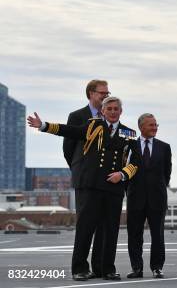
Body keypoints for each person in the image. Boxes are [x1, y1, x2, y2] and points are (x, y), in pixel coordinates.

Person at [27, 96, 140, 281]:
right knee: (85, 228)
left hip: (114, 188)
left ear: (121, 111)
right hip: (91, 185)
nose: (112, 112)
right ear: (102, 111)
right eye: (109, 108)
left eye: (116, 109)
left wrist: (123, 174)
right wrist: (44, 125)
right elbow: (70, 131)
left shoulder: (129, 133)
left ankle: (107, 269)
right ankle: (79, 268)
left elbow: (136, 162)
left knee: (111, 230)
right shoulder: (92, 126)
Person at [63, 79, 109, 278]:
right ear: (91, 93)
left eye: (108, 93)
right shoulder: (77, 116)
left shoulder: (109, 117)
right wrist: (79, 168)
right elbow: (68, 149)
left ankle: (99, 268)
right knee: (85, 225)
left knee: (103, 226)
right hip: (85, 180)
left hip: (106, 181)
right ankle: (80, 268)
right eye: (102, 93)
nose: (106, 96)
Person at [126, 113, 172, 279]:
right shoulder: (130, 145)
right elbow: (126, 169)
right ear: (141, 127)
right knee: (134, 235)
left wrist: (157, 188)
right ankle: (137, 268)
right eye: (151, 125)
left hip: (157, 198)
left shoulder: (164, 147)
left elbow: (167, 174)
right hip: (135, 197)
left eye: (156, 125)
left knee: (158, 236)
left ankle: (157, 267)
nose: (155, 128)